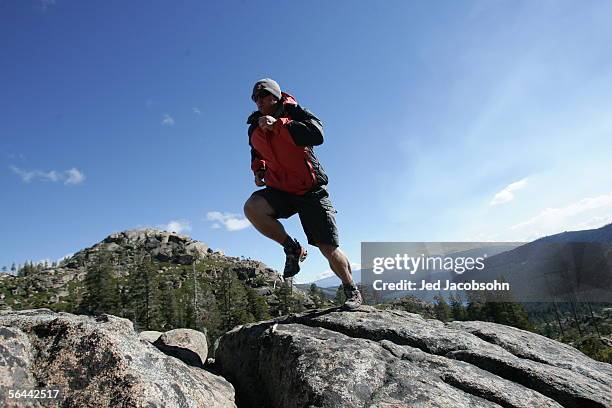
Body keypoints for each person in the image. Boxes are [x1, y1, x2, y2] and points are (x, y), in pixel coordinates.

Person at [243, 78, 362, 310]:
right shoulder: (253, 127)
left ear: (275, 97)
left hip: (310, 190)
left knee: (328, 247)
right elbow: (256, 153)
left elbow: (317, 135)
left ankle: (351, 289)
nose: (258, 101)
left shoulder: (296, 113)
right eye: (255, 97)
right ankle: (292, 247)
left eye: (263, 96)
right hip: (281, 189)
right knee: (252, 208)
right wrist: (259, 170)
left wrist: (279, 125)